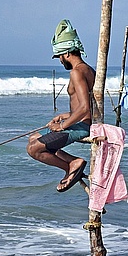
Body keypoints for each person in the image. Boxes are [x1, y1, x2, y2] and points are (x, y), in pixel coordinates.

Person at [26, 19, 95, 192]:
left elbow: (85, 108)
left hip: (81, 126)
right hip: (80, 121)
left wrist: (63, 125)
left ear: (66, 54)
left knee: (33, 149)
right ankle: (73, 162)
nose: (60, 61)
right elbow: (82, 106)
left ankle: (70, 166)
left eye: (59, 57)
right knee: (33, 137)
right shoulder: (88, 69)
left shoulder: (77, 72)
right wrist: (63, 116)